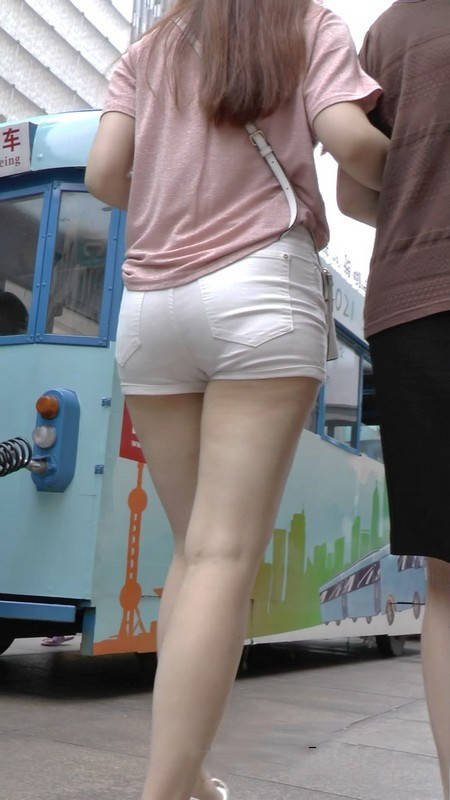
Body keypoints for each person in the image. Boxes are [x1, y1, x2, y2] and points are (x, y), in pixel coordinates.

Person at [86, 2, 388, 799]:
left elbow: (104, 176)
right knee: (223, 557)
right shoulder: (306, 23)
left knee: (194, 553)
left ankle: (185, 777)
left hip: (151, 307)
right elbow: (352, 142)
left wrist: (177, 200)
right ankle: (162, 792)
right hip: (258, 287)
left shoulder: (149, 48)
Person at [337, 2, 450, 798]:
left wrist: (416, 185)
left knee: (449, 581)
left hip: (416, 301)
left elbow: (353, 196)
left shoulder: (392, 30)